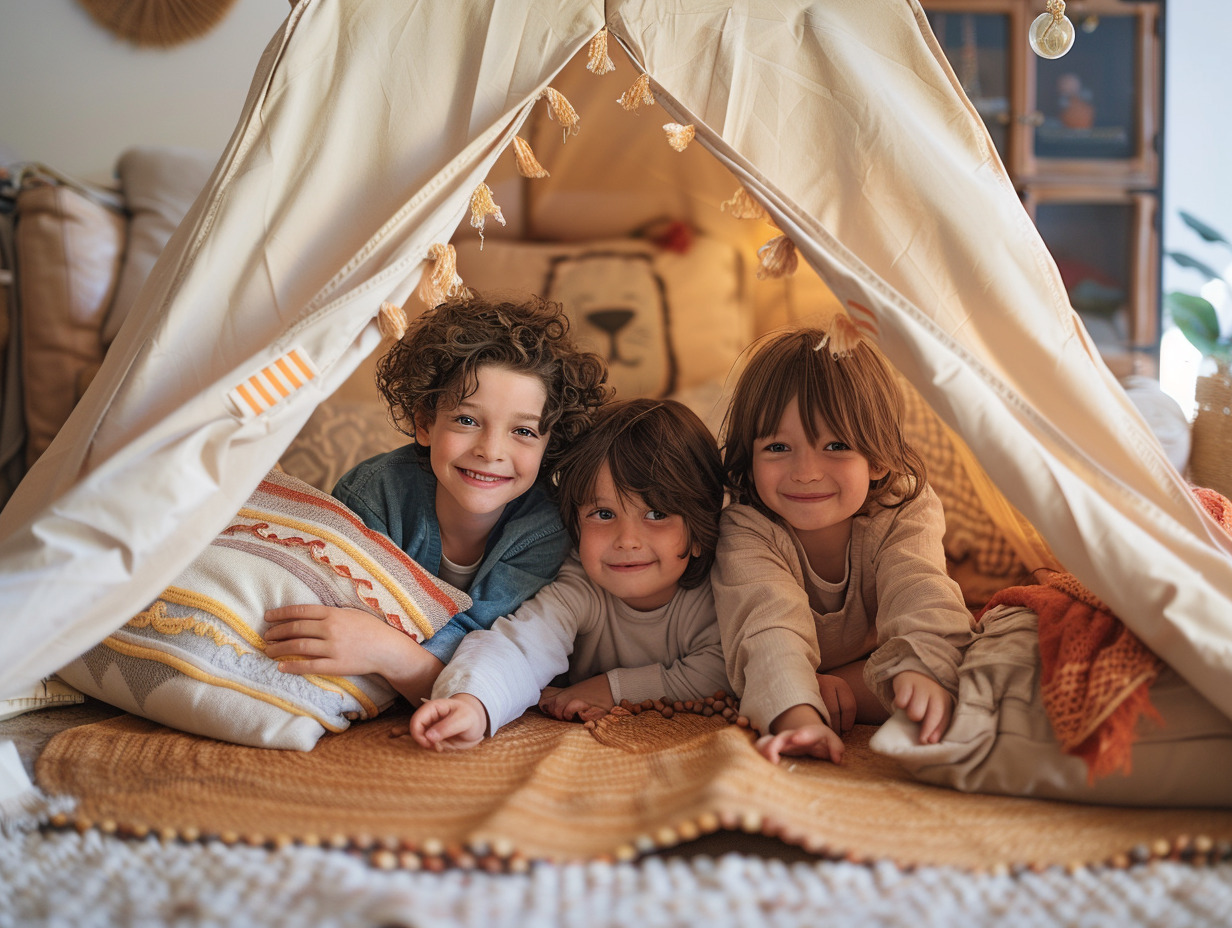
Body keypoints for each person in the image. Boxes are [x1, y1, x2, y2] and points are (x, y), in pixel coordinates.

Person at [264, 292, 610, 703]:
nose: (492, 450)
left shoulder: (547, 528)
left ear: (548, 445)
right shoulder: (374, 494)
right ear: (425, 424)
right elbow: (340, 615)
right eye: (467, 420)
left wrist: (394, 654)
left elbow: (488, 657)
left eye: (524, 431)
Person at [713, 319, 972, 765]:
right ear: (750, 456)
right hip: (794, 674)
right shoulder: (746, 528)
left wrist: (923, 669)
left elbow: (920, 589)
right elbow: (767, 629)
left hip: (877, 667)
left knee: (992, 656)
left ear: (876, 458)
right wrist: (799, 716)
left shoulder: (902, 506)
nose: (806, 471)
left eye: (835, 445)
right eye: (778, 447)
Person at [405, 398, 730, 751]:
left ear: (699, 530)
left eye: (656, 514)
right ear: (574, 522)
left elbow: (726, 668)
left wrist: (612, 688)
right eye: (603, 514)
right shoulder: (580, 587)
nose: (627, 541)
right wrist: (471, 703)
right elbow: (521, 648)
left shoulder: (718, 591)